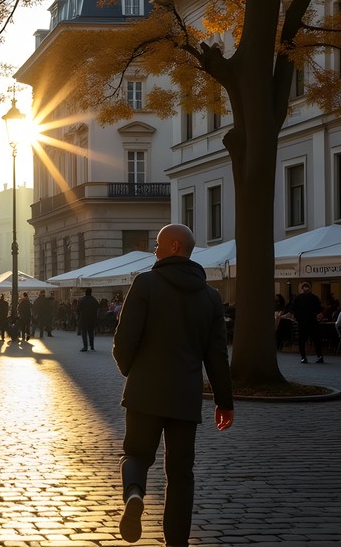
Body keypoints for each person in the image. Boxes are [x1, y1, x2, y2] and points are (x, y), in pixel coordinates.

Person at [113, 223, 234, 546]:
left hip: (143, 393)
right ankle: (176, 542)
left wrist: (132, 372)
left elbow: (124, 339)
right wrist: (225, 401)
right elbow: (217, 356)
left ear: (175, 246)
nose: (154, 249)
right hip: (184, 397)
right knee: (181, 474)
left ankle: (135, 495)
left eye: (158, 244)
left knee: (136, 455)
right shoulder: (210, 297)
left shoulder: (145, 284)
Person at [292, 281, 325, 364]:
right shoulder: (312, 298)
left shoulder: (301, 298)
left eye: (307, 286)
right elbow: (318, 308)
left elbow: (295, 309)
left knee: (310, 339)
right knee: (311, 339)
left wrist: (297, 317)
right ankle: (310, 356)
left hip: (308, 322)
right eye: (305, 286)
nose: (305, 288)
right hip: (309, 322)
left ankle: (308, 357)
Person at [77, 287, 99, 352]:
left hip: (84, 318)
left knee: (84, 333)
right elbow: (97, 307)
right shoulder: (94, 300)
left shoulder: (82, 300)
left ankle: (85, 347)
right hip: (92, 318)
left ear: (85, 293)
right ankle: (92, 346)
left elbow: (78, 309)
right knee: (91, 333)